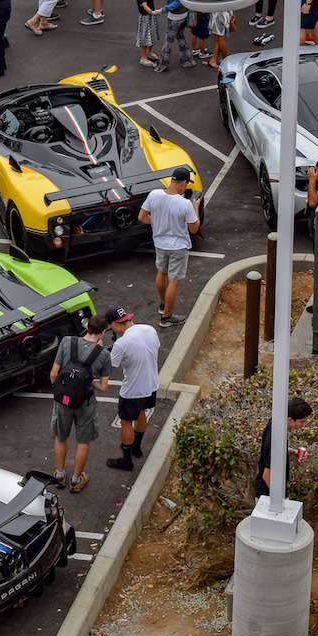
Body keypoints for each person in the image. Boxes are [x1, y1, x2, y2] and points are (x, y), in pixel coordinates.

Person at [49, 315, 112, 494]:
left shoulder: (67, 342)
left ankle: (60, 474)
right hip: (85, 403)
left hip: (63, 401)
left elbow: (54, 374)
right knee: (83, 441)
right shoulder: (104, 355)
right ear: (103, 332)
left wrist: (61, 391)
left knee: (61, 437)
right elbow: (104, 387)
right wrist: (89, 380)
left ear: (87, 326)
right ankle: (76, 480)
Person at [139, 165, 200, 326]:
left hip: (159, 243)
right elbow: (194, 229)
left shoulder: (154, 195)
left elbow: (142, 217)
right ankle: (166, 317)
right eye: (186, 184)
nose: (185, 188)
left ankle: (162, 304)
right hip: (178, 247)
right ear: (182, 183)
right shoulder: (185, 204)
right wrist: (196, 209)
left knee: (161, 273)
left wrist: (158, 222)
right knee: (173, 280)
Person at [103, 307, 160, 471]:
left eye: (111, 326)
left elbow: (110, 366)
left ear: (115, 323)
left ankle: (126, 460)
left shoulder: (122, 343)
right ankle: (137, 447)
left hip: (132, 390)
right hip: (151, 384)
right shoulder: (149, 329)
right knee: (141, 412)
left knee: (126, 422)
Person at [253, 396, 313, 498]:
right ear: (289, 419)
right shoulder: (276, 437)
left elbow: (274, 451)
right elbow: (267, 475)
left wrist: (294, 452)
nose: (303, 425)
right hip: (268, 496)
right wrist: (281, 500)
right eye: (302, 421)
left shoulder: (275, 422)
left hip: (269, 491)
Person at [131, 0, 161, 67]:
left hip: (151, 18)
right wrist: (152, 12)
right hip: (145, 19)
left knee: (151, 36)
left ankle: (149, 52)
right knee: (145, 37)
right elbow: (145, 6)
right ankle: (143, 58)